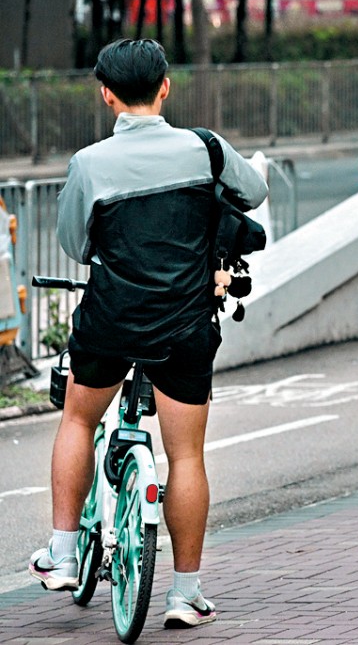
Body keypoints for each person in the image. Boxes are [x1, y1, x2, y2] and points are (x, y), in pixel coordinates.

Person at [28, 39, 268, 627]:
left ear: (106, 93)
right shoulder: (204, 148)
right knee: (186, 455)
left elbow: (75, 245)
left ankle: (61, 552)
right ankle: (184, 593)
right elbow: (254, 195)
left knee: (79, 420)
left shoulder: (89, 163)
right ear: (166, 87)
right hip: (187, 324)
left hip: (111, 321)